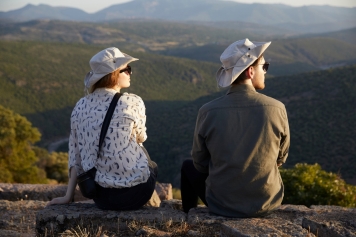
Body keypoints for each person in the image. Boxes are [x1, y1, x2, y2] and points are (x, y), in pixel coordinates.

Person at [181, 39, 290, 217]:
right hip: (267, 203)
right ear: (251, 71)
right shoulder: (277, 108)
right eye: (264, 66)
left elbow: (199, 163)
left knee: (187, 166)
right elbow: (281, 158)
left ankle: (188, 216)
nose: (265, 71)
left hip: (222, 205)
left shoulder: (207, 111)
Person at [48, 47, 158, 210]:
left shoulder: (80, 106)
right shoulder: (133, 102)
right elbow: (141, 138)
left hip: (100, 197)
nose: (130, 73)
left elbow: (75, 154)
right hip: (137, 194)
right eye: (126, 69)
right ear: (113, 74)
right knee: (147, 157)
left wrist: (68, 196)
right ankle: (154, 204)